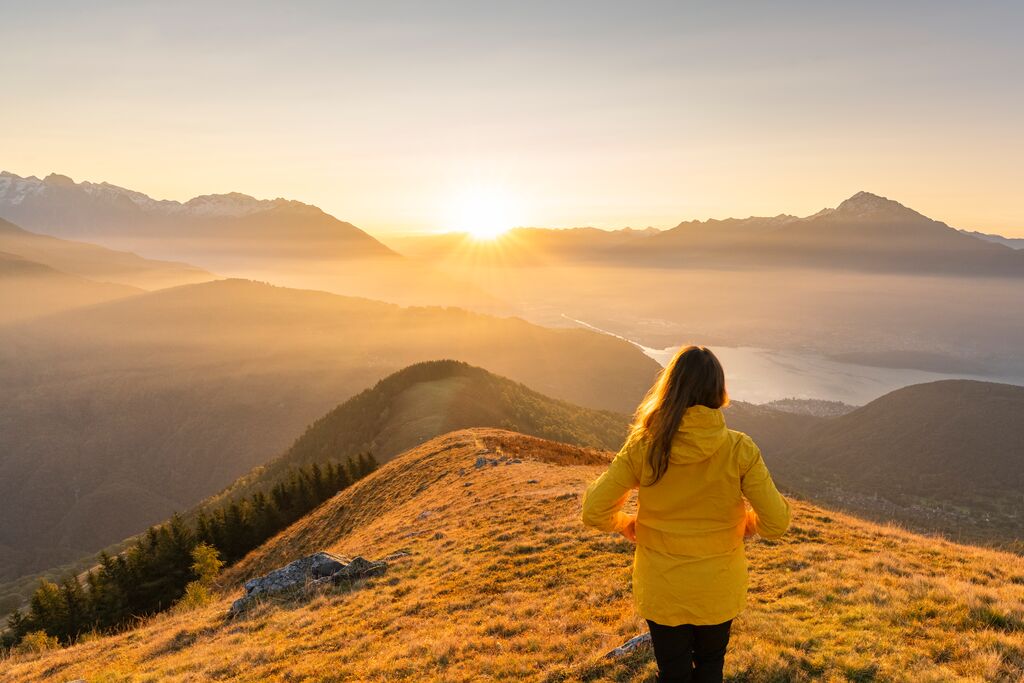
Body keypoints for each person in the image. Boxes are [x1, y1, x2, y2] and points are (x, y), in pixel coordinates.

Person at [581, 345, 790, 683]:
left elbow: (593, 510)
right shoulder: (740, 449)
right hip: (718, 589)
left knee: (673, 673)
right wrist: (747, 525)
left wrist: (625, 524)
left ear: (671, 387)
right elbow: (777, 522)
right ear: (719, 391)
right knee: (710, 669)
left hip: (663, 589)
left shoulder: (645, 445)